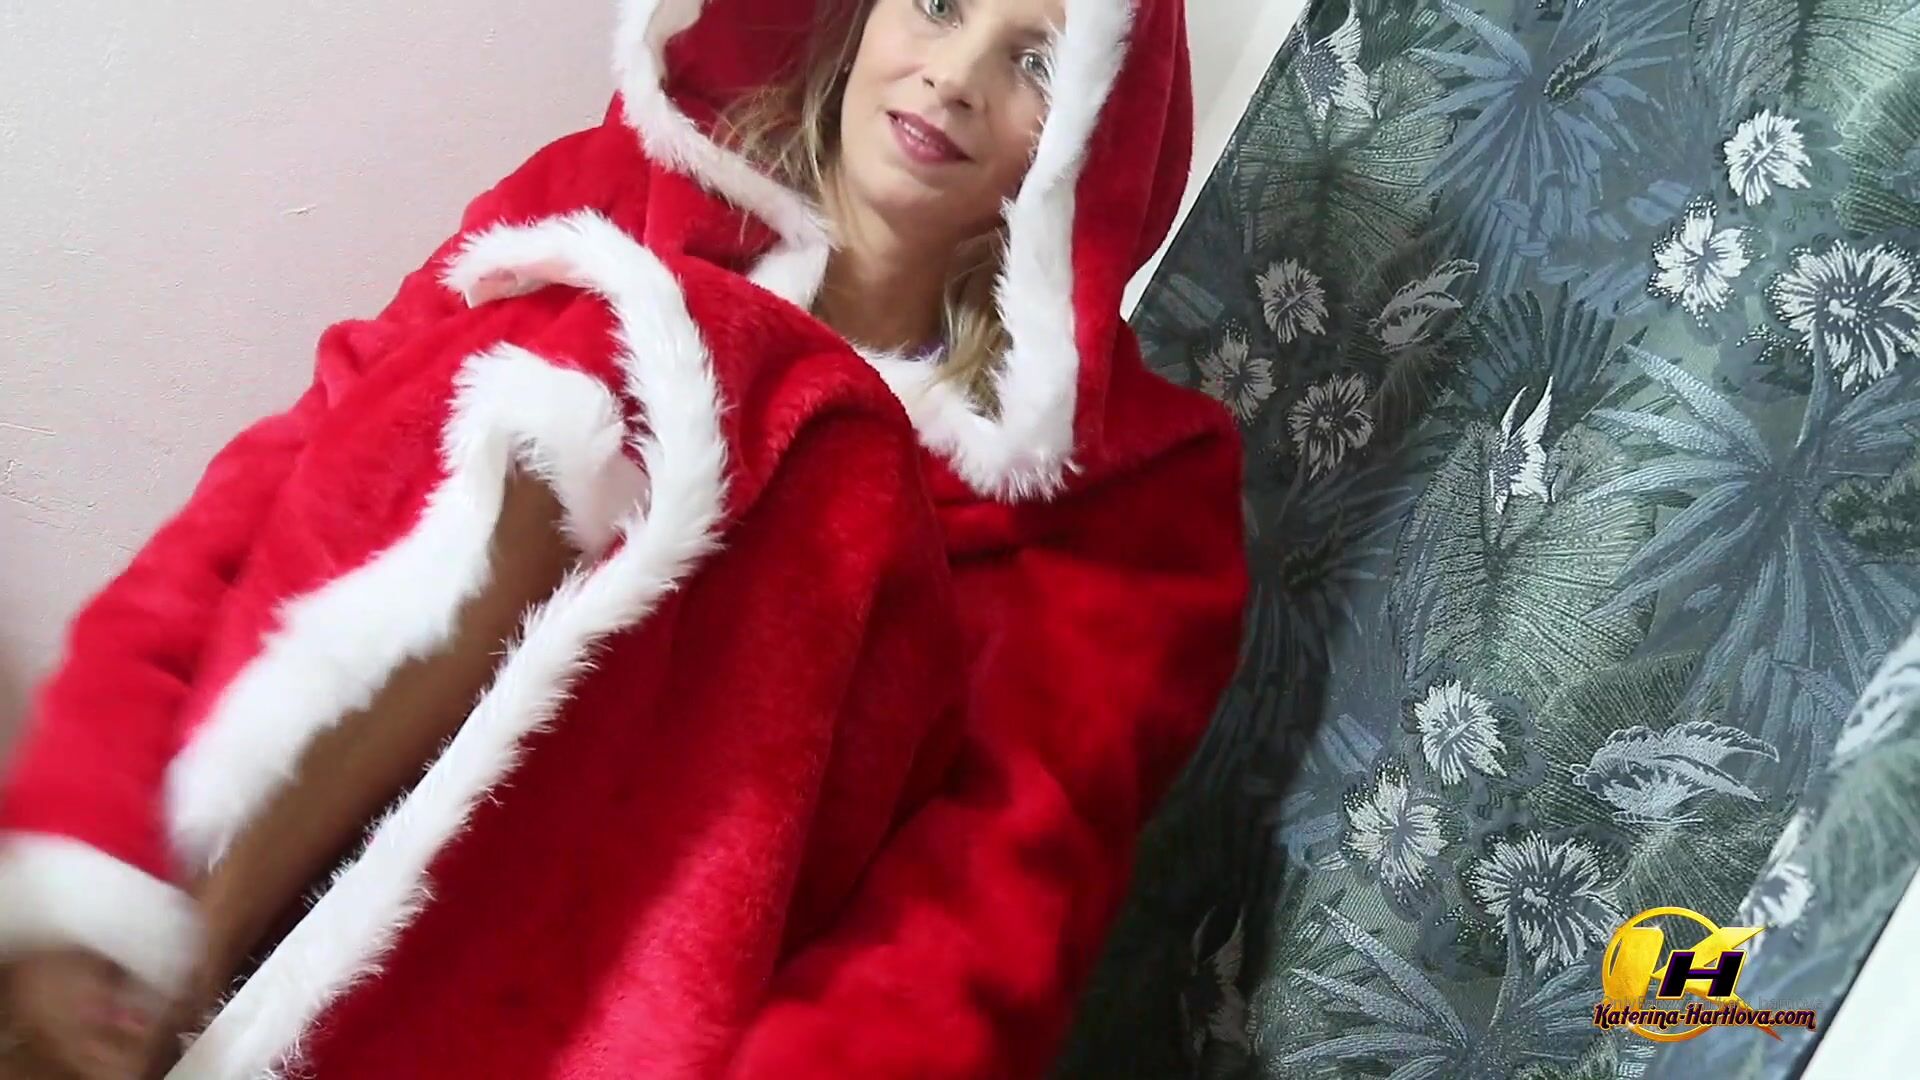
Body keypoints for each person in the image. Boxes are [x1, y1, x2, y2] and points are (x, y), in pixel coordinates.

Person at [0, 0, 1249, 1076]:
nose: (955, 76)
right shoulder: (604, 205)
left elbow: (987, 904)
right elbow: (289, 483)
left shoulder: (1130, 505)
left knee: (818, 438)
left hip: (596, 986)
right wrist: (94, 838)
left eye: (1038, 62)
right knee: (624, 340)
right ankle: (172, 969)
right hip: (273, 846)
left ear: (1102, 128)